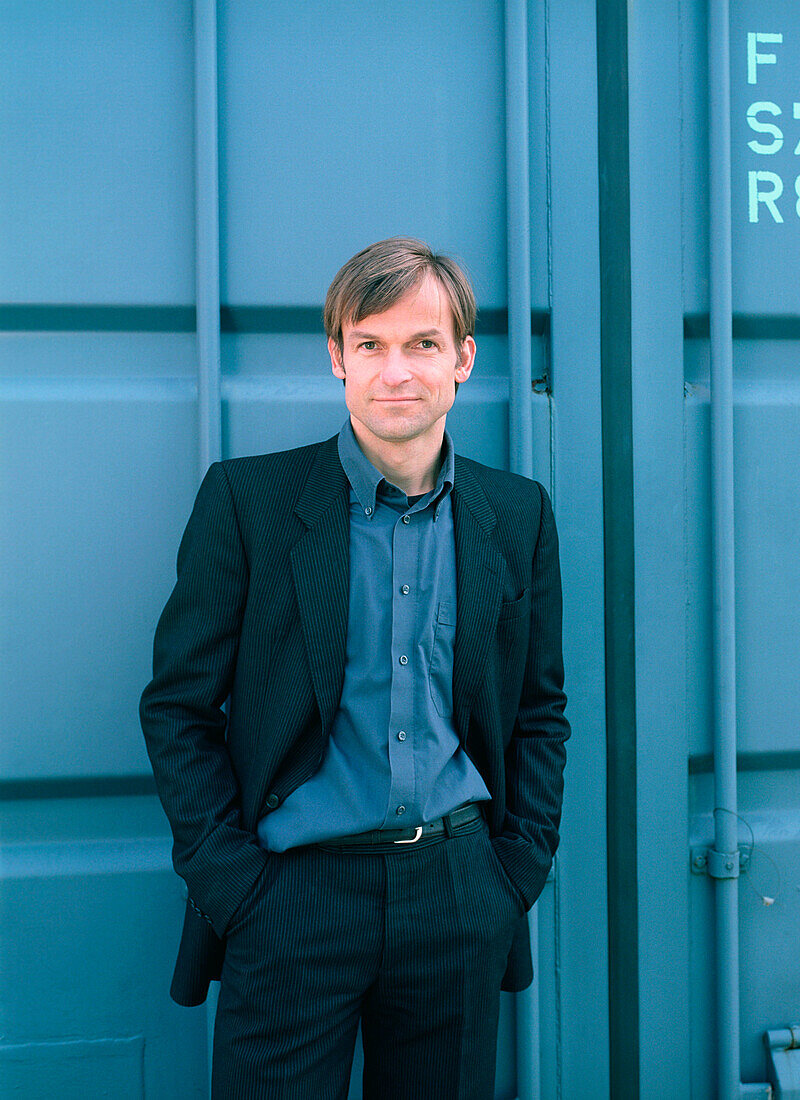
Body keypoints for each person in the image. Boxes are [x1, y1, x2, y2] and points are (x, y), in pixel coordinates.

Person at [140, 237, 569, 1099]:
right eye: (370, 344)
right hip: (291, 898)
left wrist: (513, 872)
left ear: (462, 360)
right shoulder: (249, 502)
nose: (396, 370)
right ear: (337, 358)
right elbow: (179, 708)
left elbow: (538, 712)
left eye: (422, 344)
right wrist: (234, 885)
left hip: (458, 895)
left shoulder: (516, 515)